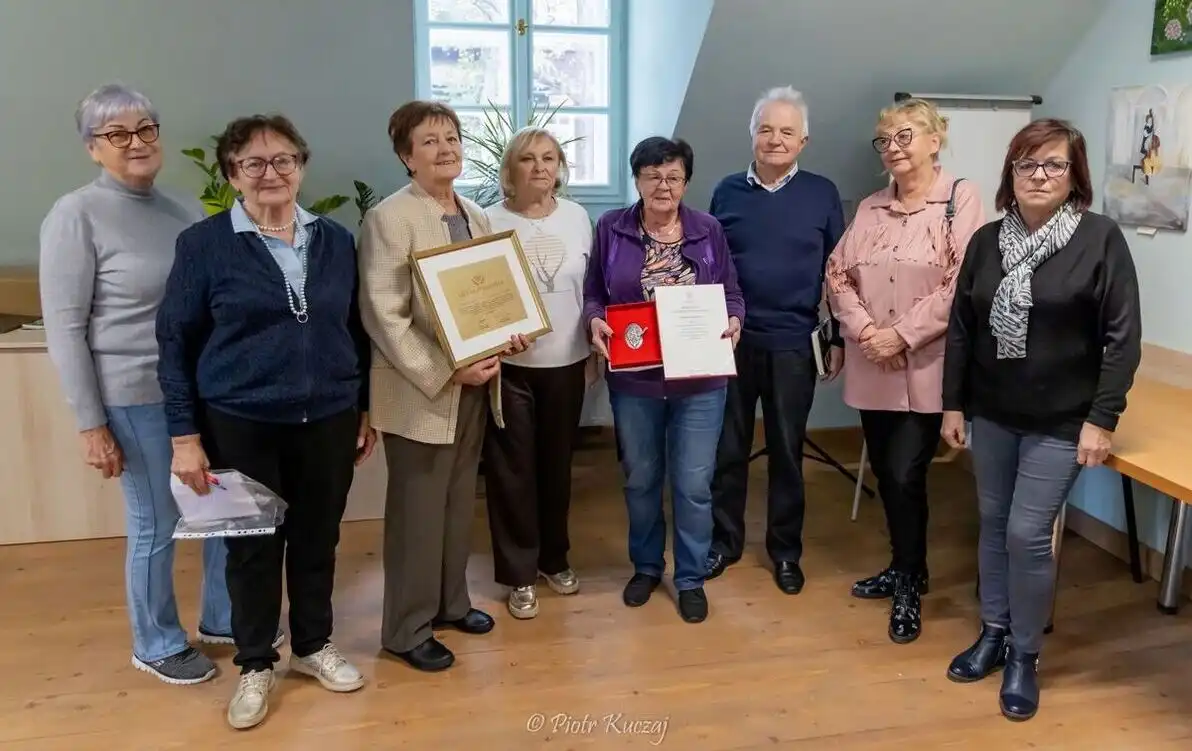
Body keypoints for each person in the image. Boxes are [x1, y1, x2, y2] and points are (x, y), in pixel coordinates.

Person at [156, 114, 374, 729]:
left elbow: (352, 331)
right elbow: (174, 343)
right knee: (251, 549)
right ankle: (256, 662)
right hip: (240, 421)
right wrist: (184, 436)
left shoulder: (335, 239)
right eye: (253, 163)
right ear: (232, 176)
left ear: (301, 167)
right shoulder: (203, 245)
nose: (270, 172)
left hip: (327, 416)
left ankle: (311, 646)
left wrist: (362, 407)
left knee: (317, 540)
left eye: (283, 160)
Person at [941, 118, 1141, 722]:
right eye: (1026, 164)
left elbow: (1122, 339)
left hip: (1062, 419)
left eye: (1053, 164)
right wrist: (954, 403)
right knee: (993, 523)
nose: (1038, 175)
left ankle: (1025, 654)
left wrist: (1101, 419)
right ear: (1010, 173)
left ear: (1074, 175)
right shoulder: (986, 241)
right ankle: (994, 631)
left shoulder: (1100, 239)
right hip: (995, 413)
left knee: (1028, 535)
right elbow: (961, 330)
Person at [39, 83, 233, 686]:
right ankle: (156, 642)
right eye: (117, 134)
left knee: (222, 509)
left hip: (200, 390)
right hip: (132, 394)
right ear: (93, 148)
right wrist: (90, 423)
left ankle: (225, 619)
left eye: (146, 129)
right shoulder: (75, 214)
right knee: (157, 521)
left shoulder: (183, 209)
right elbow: (66, 328)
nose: (136, 142)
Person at [358, 100, 529, 672]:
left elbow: (489, 297)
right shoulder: (390, 218)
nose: (446, 148)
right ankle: (405, 628)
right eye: (429, 140)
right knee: (418, 511)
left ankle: (451, 603)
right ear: (406, 155)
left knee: (458, 503)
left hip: (479, 383)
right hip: (423, 390)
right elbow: (385, 315)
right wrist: (444, 370)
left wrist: (511, 335)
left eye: (452, 137)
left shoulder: (477, 216)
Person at [825, 97, 984, 644]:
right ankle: (902, 566)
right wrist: (869, 333)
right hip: (874, 365)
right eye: (885, 139)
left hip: (929, 366)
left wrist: (902, 334)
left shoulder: (959, 198)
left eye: (905, 135)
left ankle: (912, 581)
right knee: (889, 477)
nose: (893, 147)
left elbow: (961, 282)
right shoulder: (869, 207)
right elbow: (837, 275)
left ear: (934, 140)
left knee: (904, 473)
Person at [583, 136, 745, 624]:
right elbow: (594, 292)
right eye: (652, 175)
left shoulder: (708, 228)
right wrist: (595, 320)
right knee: (642, 478)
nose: (663, 185)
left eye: (673, 176)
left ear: (686, 182)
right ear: (636, 179)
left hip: (700, 380)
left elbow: (732, 293)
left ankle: (691, 576)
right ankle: (647, 566)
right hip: (636, 380)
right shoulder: (612, 227)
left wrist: (734, 320)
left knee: (694, 483)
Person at [706, 86, 846, 594]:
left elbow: (839, 274)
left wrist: (838, 339)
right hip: (732, 340)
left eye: (787, 131)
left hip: (794, 344)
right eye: (765, 129)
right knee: (728, 447)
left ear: (803, 140)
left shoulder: (822, 193)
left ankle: (786, 551)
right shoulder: (725, 191)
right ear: (752, 134)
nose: (775, 139)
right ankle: (724, 542)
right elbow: (709, 266)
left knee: (788, 451)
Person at [482, 127, 593, 619]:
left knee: (556, 467)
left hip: (566, 361)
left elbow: (590, 288)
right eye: (528, 159)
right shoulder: (487, 220)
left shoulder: (578, 217)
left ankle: (555, 558)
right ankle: (519, 574)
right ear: (510, 170)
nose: (540, 167)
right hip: (511, 367)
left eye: (549, 158)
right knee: (513, 472)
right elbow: (478, 294)